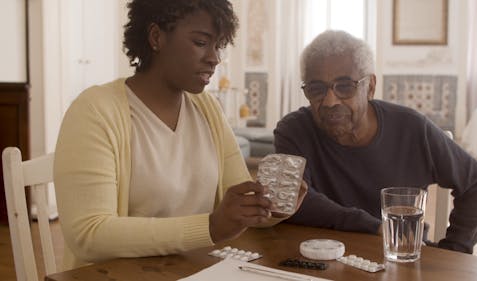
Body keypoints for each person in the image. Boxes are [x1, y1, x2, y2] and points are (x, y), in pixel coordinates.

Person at [54, 0, 306, 270]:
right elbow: (89, 235)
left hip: (190, 271)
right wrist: (209, 227)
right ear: (156, 37)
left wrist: (269, 206)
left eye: (219, 45)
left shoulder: (207, 108)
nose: (214, 58)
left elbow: (239, 203)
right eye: (201, 42)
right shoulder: (95, 110)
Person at [274, 30, 477, 254]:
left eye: (345, 85)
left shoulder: (412, 128)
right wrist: (375, 227)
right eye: (316, 89)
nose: (330, 101)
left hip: (398, 258)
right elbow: (292, 200)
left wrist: (455, 252)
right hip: (317, 259)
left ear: (369, 87)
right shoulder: (293, 131)